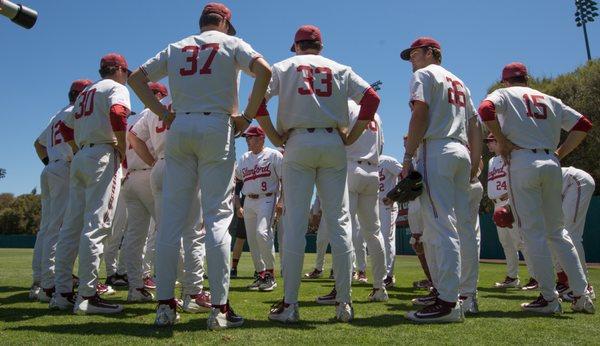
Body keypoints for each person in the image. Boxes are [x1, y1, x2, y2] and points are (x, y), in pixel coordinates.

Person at [128, 2, 272, 329]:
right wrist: (247, 116)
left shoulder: (178, 45)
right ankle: (219, 309)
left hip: (180, 128)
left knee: (171, 221)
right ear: (223, 22)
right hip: (216, 125)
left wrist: (163, 113)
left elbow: (137, 78)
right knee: (217, 218)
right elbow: (265, 70)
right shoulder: (232, 43)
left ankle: (165, 305)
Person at [263, 25, 381, 323]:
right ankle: (345, 303)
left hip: (298, 141)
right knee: (340, 223)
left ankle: (290, 304)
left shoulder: (283, 66)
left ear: (297, 46)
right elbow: (371, 99)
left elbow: (257, 100)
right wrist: (351, 136)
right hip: (332, 142)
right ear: (320, 45)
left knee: (295, 222)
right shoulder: (340, 68)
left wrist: (274, 136)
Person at [478, 61, 594, 314]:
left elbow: (485, 109)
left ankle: (549, 298)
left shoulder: (504, 93)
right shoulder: (549, 99)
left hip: (522, 161)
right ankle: (583, 295)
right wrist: (560, 154)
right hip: (550, 161)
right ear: (527, 78)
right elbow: (584, 124)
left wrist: (501, 139)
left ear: (505, 80)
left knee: (533, 234)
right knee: (558, 232)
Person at [400, 37, 481, 323]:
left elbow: (420, 114)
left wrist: (408, 157)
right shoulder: (460, 82)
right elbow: (475, 125)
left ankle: (448, 301)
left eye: (415, 52)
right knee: (460, 227)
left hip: (436, 149)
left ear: (432, 53)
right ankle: (463, 293)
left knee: (441, 226)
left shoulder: (423, 75)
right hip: (460, 150)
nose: (411, 58)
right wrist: (475, 160)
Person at [51, 53, 131, 314]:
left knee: (71, 227)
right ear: (118, 69)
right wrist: (121, 148)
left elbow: (64, 126)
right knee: (96, 226)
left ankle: (61, 292)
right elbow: (118, 113)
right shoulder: (116, 87)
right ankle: (87, 295)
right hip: (102, 154)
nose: (127, 77)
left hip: (82, 155)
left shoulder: (87, 92)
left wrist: (77, 149)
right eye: (126, 72)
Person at [129, 93, 211, 314]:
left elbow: (133, 136)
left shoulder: (151, 109)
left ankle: (165, 299)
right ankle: (193, 293)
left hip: (160, 166)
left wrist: (153, 161)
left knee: (165, 234)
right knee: (193, 232)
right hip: (183, 163)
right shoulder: (191, 99)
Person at [318, 99, 388, 304]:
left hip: (350, 168)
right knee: (373, 232)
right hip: (373, 171)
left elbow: (338, 136)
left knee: (343, 229)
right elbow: (381, 146)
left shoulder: (346, 106)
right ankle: (380, 287)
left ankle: (341, 288)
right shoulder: (376, 115)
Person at [33, 79, 91, 302]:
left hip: (51, 169)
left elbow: (37, 144)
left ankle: (40, 280)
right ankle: (49, 285)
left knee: (47, 227)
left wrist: (50, 162)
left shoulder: (57, 115)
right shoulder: (76, 112)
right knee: (59, 228)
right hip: (64, 167)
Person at [122, 82, 168, 302]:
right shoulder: (154, 112)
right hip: (148, 174)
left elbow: (127, 143)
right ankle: (169, 287)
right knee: (168, 230)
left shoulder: (133, 118)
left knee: (135, 236)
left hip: (129, 177)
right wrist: (153, 164)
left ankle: (135, 287)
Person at [235, 125, 283, 292]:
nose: (248, 141)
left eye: (252, 138)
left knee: (263, 233)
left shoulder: (274, 155)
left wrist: (281, 201)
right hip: (248, 200)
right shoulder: (244, 158)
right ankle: (260, 274)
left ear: (262, 138)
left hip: (267, 198)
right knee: (253, 239)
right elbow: (238, 181)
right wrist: (237, 203)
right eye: (247, 138)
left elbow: (284, 179)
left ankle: (270, 275)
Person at [554, 166, 595, 300]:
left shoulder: (523, 181)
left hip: (576, 181)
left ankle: (585, 287)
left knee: (569, 234)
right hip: (565, 189)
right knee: (554, 234)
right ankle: (564, 282)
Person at [378, 154, 402, 288]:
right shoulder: (369, 162)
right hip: (376, 206)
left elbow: (404, 175)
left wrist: (395, 196)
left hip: (388, 204)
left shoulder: (387, 160)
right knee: (379, 239)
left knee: (387, 239)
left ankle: (388, 275)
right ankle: (383, 273)